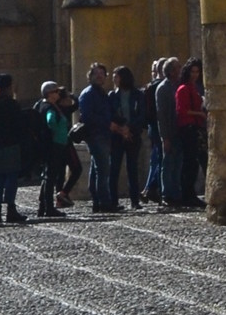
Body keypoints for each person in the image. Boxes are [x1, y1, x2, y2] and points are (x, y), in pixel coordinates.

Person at [0, 72, 26, 222]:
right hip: (9, 144)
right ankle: (10, 209)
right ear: (8, 87)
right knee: (10, 178)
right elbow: (18, 124)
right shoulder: (11, 103)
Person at [76, 63, 115, 213]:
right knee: (103, 170)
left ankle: (98, 201)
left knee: (97, 169)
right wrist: (108, 123)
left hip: (103, 134)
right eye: (96, 74)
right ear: (90, 76)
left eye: (102, 74)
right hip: (96, 134)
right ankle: (104, 202)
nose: (99, 76)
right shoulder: (88, 93)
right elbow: (87, 116)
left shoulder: (101, 92)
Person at [111, 66, 147, 207]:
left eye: (116, 76)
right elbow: (112, 114)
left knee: (133, 168)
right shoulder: (112, 96)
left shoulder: (137, 95)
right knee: (115, 167)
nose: (114, 79)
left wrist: (130, 128)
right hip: (117, 135)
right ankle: (113, 200)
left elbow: (141, 114)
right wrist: (122, 129)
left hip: (133, 135)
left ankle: (134, 200)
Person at [34, 83, 72, 218]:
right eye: (56, 91)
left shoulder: (49, 105)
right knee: (50, 177)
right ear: (49, 93)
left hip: (55, 145)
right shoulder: (49, 107)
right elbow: (50, 121)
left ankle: (43, 207)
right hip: (53, 145)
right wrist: (56, 130)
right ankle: (48, 207)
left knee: (48, 176)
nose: (58, 93)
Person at [173, 59, 206, 207]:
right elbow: (182, 110)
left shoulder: (194, 88)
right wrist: (199, 114)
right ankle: (187, 194)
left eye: (197, 72)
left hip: (195, 127)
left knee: (194, 162)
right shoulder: (183, 89)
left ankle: (190, 194)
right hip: (188, 128)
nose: (195, 75)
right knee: (189, 162)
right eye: (192, 72)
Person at [153, 56, 180, 208]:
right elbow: (161, 115)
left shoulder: (178, 86)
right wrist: (165, 137)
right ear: (171, 71)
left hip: (178, 130)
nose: (180, 70)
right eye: (177, 68)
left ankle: (176, 192)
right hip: (169, 131)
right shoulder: (163, 88)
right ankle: (167, 194)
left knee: (177, 163)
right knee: (168, 163)